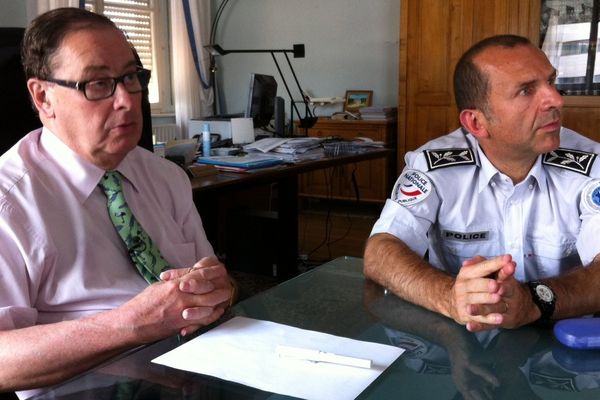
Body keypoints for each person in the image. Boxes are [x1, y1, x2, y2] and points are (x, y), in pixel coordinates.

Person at [0, 8, 233, 398]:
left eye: (130, 77)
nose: (127, 100)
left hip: (195, 373)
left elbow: (213, 286)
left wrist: (217, 289)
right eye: (97, 83)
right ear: (43, 97)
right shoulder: (9, 202)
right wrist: (131, 324)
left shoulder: (165, 177)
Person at [364, 34, 600, 333]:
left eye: (551, 82)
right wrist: (448, 296)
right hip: (463, 341)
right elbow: (381, 251)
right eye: (527, 90)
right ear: (476, 123)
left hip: (564, 343)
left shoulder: (593, 165)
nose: (555, 99)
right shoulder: (434, 167)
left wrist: (533, 300)